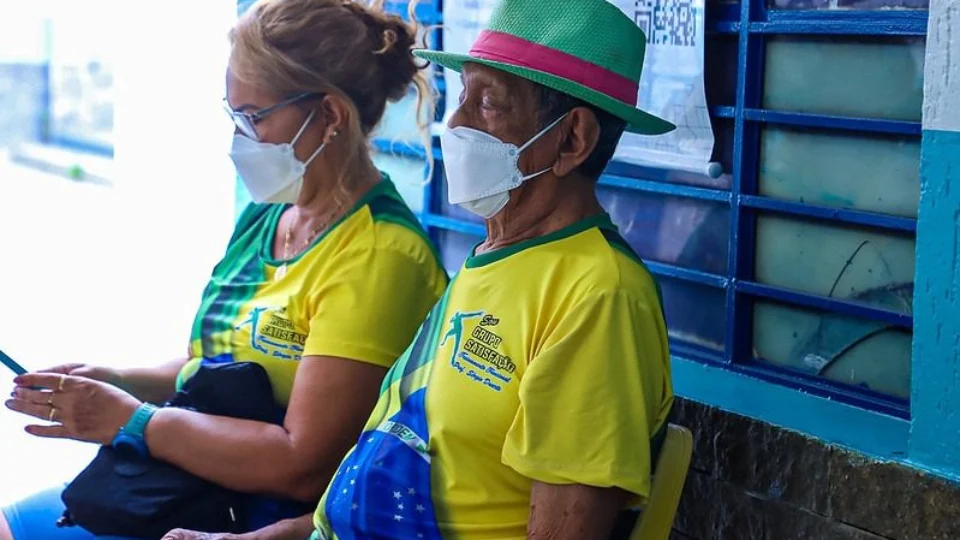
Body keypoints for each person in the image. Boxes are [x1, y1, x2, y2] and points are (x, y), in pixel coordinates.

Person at [163, 0, 676, 538]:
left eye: (488, 103)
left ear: (573, 139)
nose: (455, 123)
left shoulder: (597, 294)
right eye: (462, 96)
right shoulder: (494, 260)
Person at [1, 0, 447, 538]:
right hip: (193, 488)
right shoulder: (270, 215)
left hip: (259, 519)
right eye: (233, 114)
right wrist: (121, 383)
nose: (241, 137)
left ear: (329, 116)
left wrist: (131, 420)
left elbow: (301, 467)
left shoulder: (380, 256)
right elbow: (207, 366)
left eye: (255, 117)